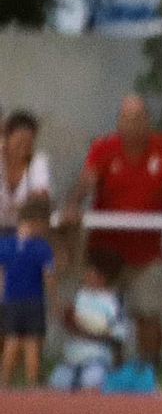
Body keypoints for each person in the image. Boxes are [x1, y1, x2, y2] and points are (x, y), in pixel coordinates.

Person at [61, 94, 162, 372]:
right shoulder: (104, 148)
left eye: (138, 118)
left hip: (147, 252)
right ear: (118, 122)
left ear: (147, 121)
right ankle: (104, 373)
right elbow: (85, 182)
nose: (132, 125)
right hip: (105, 251)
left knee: (149, 314)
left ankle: (144, 373)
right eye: (126, 118)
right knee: (97, 314)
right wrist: (73, 206)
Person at [51, 247, 127, 392]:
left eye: (90, 274)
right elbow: (70, 324)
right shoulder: (80, 296)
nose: (86, 277)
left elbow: (117, 334)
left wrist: (90, 332)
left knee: (91, 383)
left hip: (96, 358)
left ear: (101, 278)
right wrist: (68, 319)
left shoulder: (111, 302)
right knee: (58, 383)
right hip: (72, 357)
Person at [1, 197, 55, 388]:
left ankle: (5, 381)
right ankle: (32, 382)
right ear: (38, 222)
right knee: (32, 341)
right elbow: (48, 277)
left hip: (11, 300)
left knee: (12, 339)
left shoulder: (5, 244)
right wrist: (53, 302)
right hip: (33, 300)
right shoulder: (42, 248)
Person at [0, 111, 51, 231]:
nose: (23, 148)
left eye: (28, 143)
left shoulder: (38, 162)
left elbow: (40, 200)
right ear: (7, 139)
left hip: (25, 232)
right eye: (19, 142)